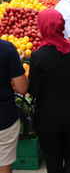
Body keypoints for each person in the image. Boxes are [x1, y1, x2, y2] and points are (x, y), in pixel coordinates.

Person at [29, 9, 70, 173]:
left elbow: (35, 90)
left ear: (42, 27)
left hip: (47, 118)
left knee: (53, 160)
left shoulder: (38, 56)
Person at [0, 41, 28, 173]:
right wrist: (15, 64)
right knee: (3, 164)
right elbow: (22, 88)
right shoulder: (6, 49)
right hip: (3, 119)